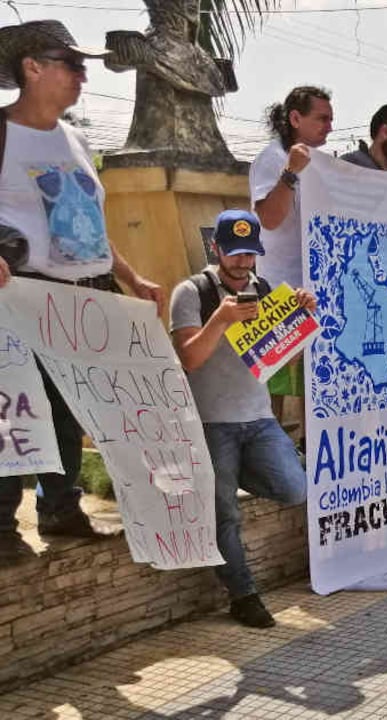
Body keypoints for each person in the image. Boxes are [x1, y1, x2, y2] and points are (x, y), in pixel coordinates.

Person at [0, 20, 164, 562]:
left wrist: (130, 275)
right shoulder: (1, 132)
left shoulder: (76, 138)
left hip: (82, 294)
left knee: (69, 406)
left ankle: (61, 508)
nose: (83, 76)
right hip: (21, 292)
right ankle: (1, 524)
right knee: (16, 410)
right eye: (72, 64)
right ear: (33, 67)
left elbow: (88, 222)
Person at [170, 210, 312, 627]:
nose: (243, 264)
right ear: (216, 249)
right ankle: (243, 594)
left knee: (294, 489)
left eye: (250, 255)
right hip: (213, 424)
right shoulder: (192, 292)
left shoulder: (263, 288)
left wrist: (299, 317)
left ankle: (228, 477)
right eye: (235, 254)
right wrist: (222, 319)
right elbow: (190, 359)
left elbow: (283, 357)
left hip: (258, 418)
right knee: (225, 513)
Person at [250, 86, 332, 402]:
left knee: (314, 391)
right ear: (296, 118)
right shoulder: (271, 159)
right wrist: (290, 173)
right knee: (277, 392)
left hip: (316, 293)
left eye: (331, 119)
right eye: (322, 118)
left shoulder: (320, 163)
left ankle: (305, 450)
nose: (329, 127)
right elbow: (269, 219)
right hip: (279, 294)